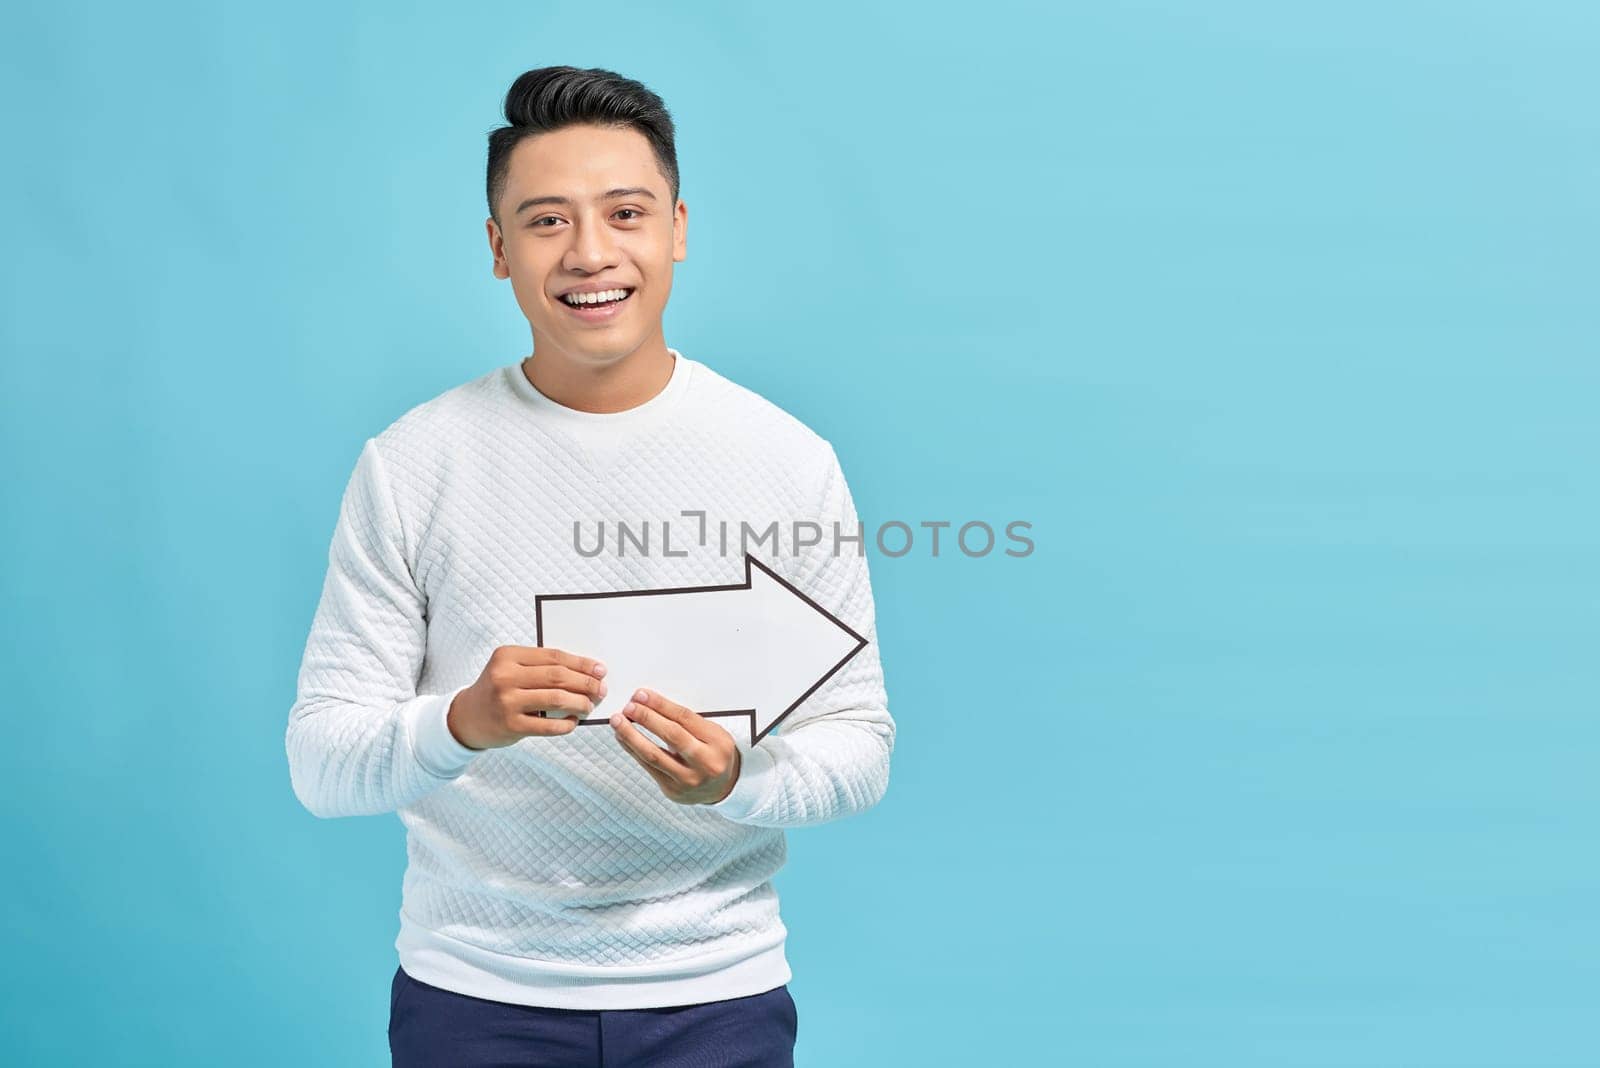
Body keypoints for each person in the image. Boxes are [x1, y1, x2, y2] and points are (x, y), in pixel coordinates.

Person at [284, 65, 895, 1067]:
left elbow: (860, 743)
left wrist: (739, 780)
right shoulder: (412, 465)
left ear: (678, 229)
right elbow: (321, 761)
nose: (591, 254)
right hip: (473, 997)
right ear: (498, 249)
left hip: (719, 996)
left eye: (625, 213)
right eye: (545, 221)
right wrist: (460, 722)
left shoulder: (787, 461)